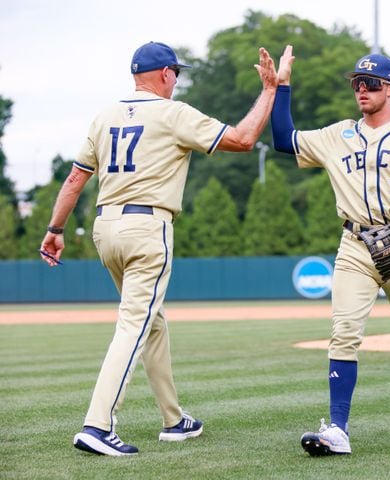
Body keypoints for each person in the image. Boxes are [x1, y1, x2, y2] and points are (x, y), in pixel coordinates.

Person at [39, 41, 292, 456]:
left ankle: (174, 419)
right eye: (176, 72)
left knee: (151, 322)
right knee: (134, 325)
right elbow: (244, 139)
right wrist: (269, 89)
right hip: (146, 228)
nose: (177, 79)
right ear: (166, 74)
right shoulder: (174, 113)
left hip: (105, 229)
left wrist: (55, 228)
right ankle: (97, 425)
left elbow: (74, 179)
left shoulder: (104, 116)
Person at [270, 50, 390, 455]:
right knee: (344, 333)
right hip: (354, 245)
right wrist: (281, 86)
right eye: (356, 83)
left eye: (370, 83)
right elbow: (283, 139)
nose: (361, 90)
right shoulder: (338, 134)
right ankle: (338, 429)